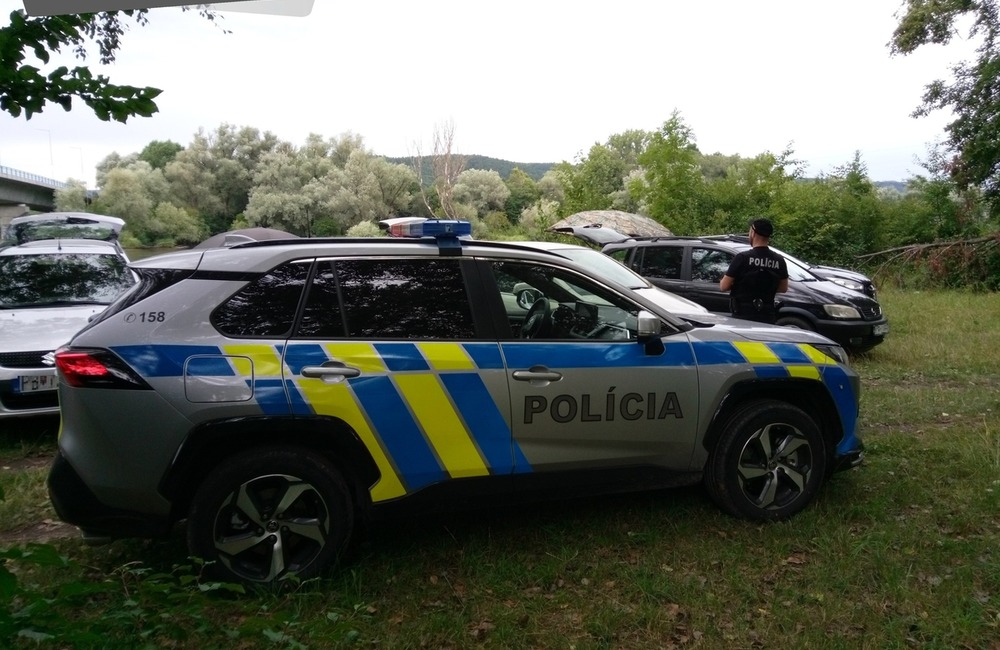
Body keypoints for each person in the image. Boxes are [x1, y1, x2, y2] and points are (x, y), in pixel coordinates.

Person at [719, 218, 789, 324]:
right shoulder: (779, 260)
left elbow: (723, 286)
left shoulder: (742, 258)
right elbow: (783, 288)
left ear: (753, 232)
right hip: (767, 316)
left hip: (742, 317)